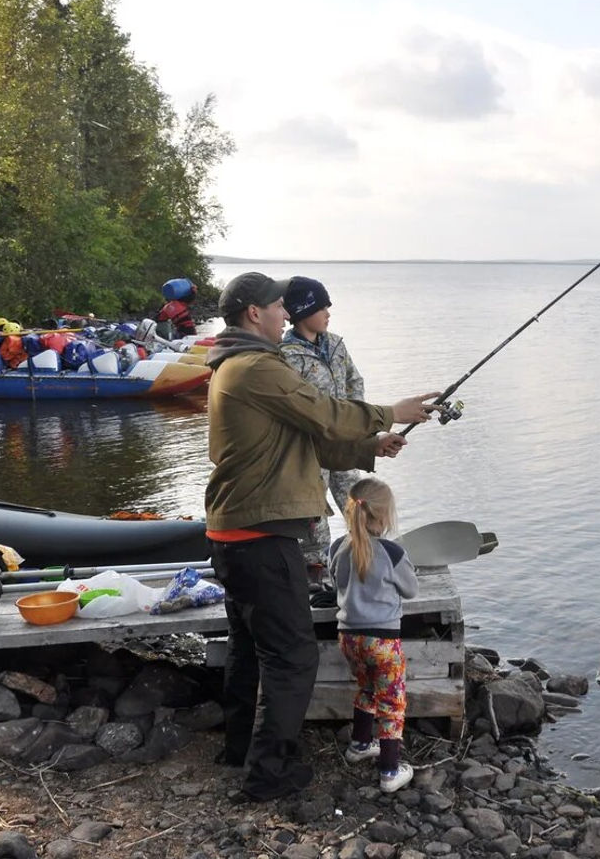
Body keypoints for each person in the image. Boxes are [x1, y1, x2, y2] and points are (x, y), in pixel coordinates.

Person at [204, 270, 439, 803]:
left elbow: (301, 440)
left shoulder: (233, 366)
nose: (286, 314)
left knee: (249, 649)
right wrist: (390, 413)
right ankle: (268, 775)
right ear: (253, 313)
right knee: (293, 658)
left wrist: (369, 449)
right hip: (261, 537)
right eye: (278, 307)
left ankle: (240, 749)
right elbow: (323, 413)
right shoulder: (255, 367)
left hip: (235, 532)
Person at [329, 477, 418, 793]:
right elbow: (410, 589)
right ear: (383, 517)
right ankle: (390, 771)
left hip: (349, 638)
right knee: (392, 701)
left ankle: (360, 745)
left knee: (366, 688)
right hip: (382, 640)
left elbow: (335, 582)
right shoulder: (392, 552)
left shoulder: (338, 547)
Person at [279, 276, 366, 578]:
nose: (329, 312)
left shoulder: (337, 344)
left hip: (342, 442)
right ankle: (317, 572)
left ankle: (371, 551)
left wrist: (357, 422)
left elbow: (355, 382)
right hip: (309, 450)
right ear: (302, 312)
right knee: (314, 509)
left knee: (357, 497)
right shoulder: (286, 355)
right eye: (322, 307)